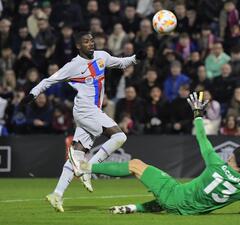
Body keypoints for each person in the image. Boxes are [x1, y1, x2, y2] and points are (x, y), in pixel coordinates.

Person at [20, 31, 146, 212]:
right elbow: (49, 80)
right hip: (85, 110)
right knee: (119, 137)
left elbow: (120, 63)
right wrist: (32, 94)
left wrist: (136, 58)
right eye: (86, 41)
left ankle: (56, 195)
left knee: (77, 154)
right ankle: (89, 169)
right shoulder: (73, 65)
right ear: (78, 46)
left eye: (92, 40)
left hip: (93, 111)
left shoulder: (102, 56)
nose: (91, 43)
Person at [79, 92, 240, 215]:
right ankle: (132, 208)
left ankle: (85, 167)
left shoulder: (216, 164)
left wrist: (197, 114)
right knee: (170, 197)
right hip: (186, 211)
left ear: (231, 157)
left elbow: (202, 138)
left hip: (175, 197)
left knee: (136, 165)